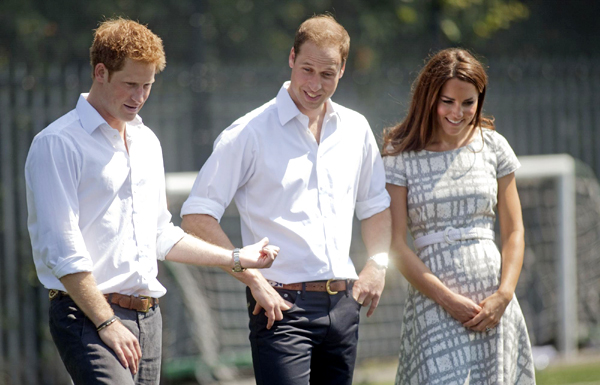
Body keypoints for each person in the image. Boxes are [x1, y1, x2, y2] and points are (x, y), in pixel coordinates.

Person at [24, 18, 278, 385]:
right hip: (87, 315)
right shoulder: (57, 144)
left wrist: (237, 259)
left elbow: (161, 234)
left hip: (149, 320)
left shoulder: (147, 141)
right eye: (130, 84)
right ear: (100, 72)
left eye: (147, 86)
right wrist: (106, 321)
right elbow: (62, 251)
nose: (139, 97)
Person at [180, 14, 392, 385]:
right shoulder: (248, 132)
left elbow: (375, 205)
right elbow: (196, 216)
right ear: (291, 58)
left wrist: (377, 264)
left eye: (327, 74)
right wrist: (254, 282)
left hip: (344, 305)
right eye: (307, 69)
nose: (314, 84)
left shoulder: (356, 128)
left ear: (342, 71)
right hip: (279, 306)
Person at [382, 48, 535, 384]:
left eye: (469, 102)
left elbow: (514, 232)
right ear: (429, 97)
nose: (458, 112)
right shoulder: (399, 155)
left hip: (494, 306)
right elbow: (396, 245)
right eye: (448, 101)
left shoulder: (494, 146)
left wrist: (503, 295)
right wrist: (447, 299)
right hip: (434, 306)